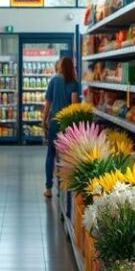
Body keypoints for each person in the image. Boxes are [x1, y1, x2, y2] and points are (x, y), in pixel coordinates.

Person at [42, 56, 80, 198]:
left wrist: (44, 120)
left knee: (51, 154)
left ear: (60, 66)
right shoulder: (74, 83)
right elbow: (74, 105)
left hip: (54, 122)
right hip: (67, 123)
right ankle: (63, 187)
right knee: (66, 155)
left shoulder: (53, 81)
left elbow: (48, 103)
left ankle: (48, 188)